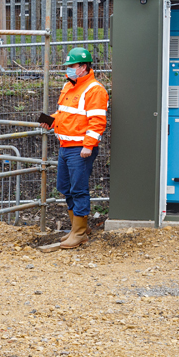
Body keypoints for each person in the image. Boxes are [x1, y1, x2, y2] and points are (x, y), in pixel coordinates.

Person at [40, 47, 108, 250]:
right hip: (66, 146)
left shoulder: (95, 90)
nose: (68, 69)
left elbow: (97, 122)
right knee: (65, 187)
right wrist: (50, 120)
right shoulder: (69, 86)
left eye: (72, 66)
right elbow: (65, 114)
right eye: (68, 66)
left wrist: (88, 146)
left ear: (84, 67)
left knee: (78, 189)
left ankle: (78, 234)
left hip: (80, 149)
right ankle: (79, 229)